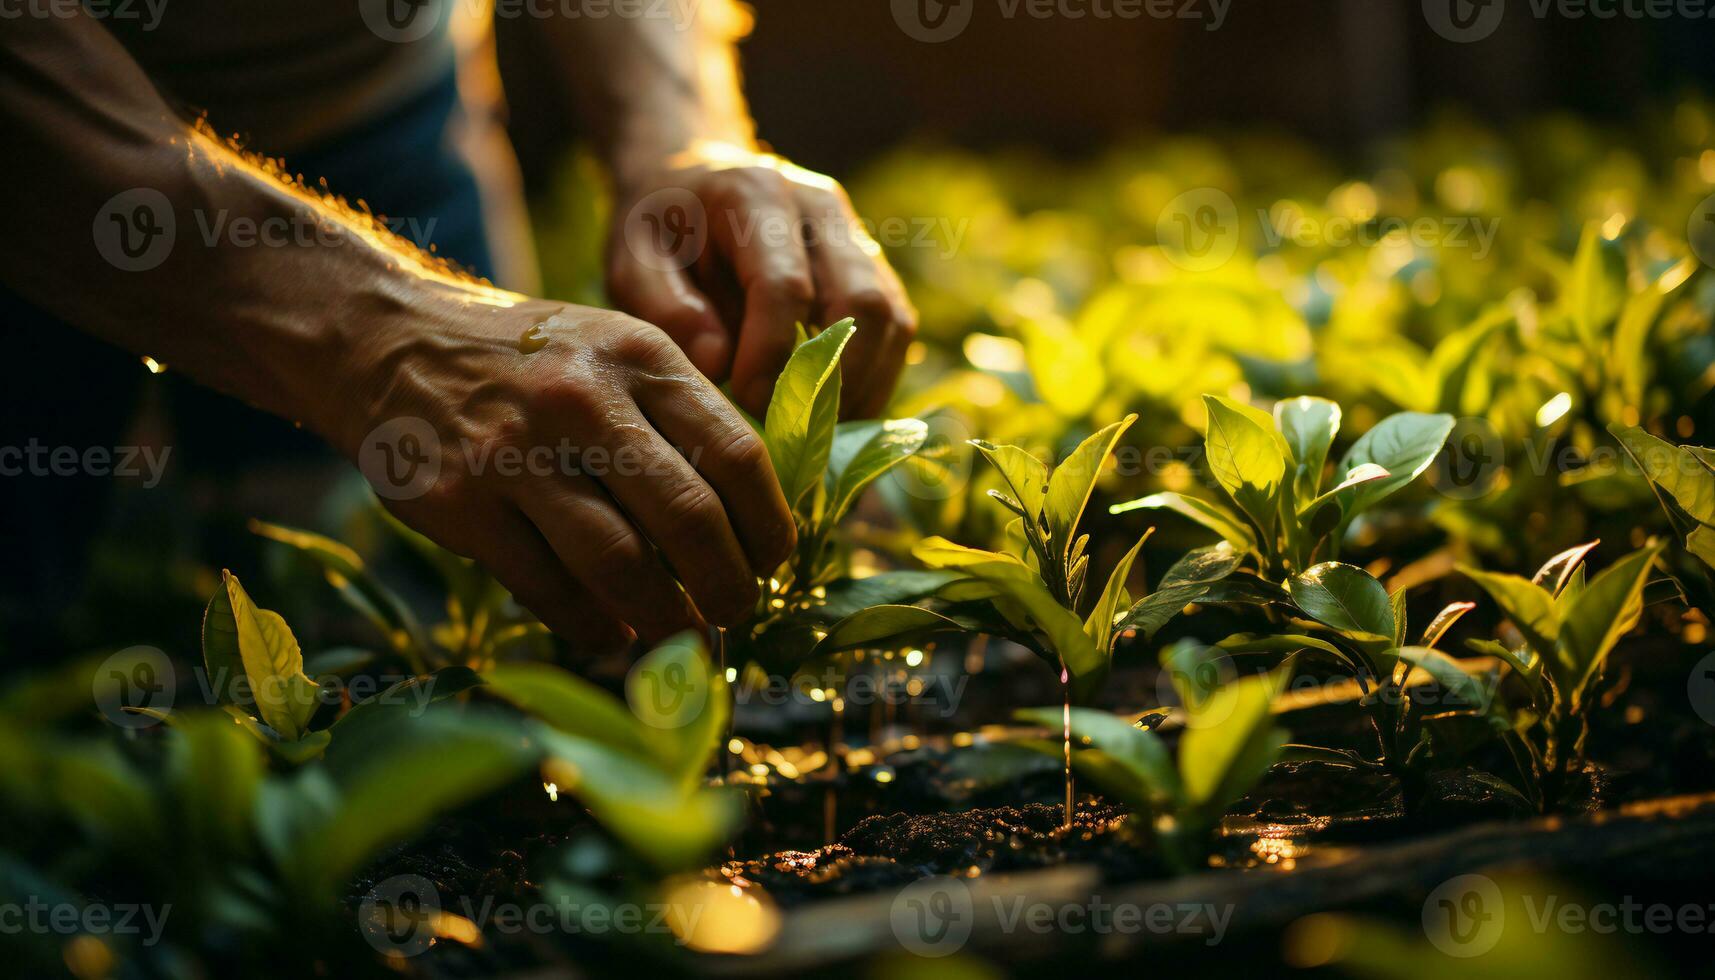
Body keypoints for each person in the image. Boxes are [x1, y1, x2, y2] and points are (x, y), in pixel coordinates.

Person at [0, 2, 917, 655]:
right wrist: (374, 331)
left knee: (427, 639)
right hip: (43, 156)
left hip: (378, 111)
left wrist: (674, 132)